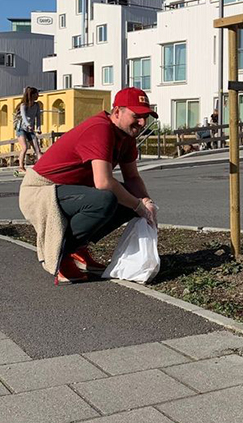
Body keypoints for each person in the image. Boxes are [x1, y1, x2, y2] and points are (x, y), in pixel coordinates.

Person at [18, 87, 159, 284]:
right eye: (137, 116)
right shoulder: (100, 129)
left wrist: (146, 203)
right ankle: (62, 254)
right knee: (106, 199)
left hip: (70, 190)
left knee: (130, 200)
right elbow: (103, 182)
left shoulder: (127, 137)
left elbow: (133, 178)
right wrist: (138, 205)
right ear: (117, 112)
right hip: (40, 190)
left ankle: (78, 249)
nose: (142, 122)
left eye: (146, 117)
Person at [15, 87, 44, 175]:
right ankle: (21, 167)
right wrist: (28, 125)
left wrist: (38, 127)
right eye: (36, 94)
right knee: (25, 147)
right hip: (21, 129)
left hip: (30, 130)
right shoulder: (23, 105)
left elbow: (38, 117)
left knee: (37, 149)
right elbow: (24, 117)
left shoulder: (36, 105)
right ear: (32, 95)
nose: (38, 96)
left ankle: (41, 167)